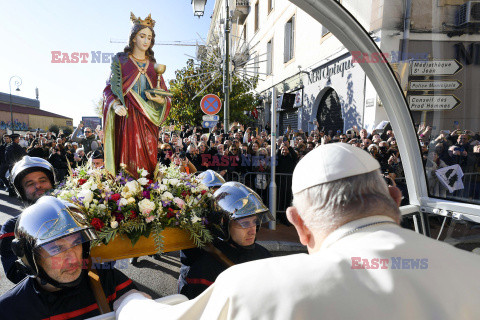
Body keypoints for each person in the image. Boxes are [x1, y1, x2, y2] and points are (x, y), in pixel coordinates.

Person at [115, 143, 480, 319]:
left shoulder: (250, 284)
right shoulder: (472, 273)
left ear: (298, 223)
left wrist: (128, 301)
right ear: (396, 197)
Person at [0, 197, 140, 319]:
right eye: (56, 248)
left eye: (76, 243)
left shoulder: (107, 279)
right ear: (31, 258)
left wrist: (135, 302)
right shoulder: (10, 311)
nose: (73, 259)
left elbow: (136, 303)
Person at [102, 12, 171, 178]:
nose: (146, 41)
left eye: (149, 37)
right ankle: (127, 189)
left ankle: (148, 187)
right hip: (127, 119)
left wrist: (160, 99)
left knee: (148, 157)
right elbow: (108, 89)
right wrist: (116, 105)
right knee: (128, 157)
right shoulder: (122, 61)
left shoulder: (154, 65)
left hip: (148, 120)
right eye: (142, 36)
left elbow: (164, 94)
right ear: (133, 38)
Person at [178, 182, 272, 299]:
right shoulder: (204, 271)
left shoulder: (265, 256)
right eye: (244, 223)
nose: (252, 231)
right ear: (223, 225)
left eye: (255, 222)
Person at [0, 156, 56, 283]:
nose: (38, 186)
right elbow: (14, 272)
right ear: (22, 191)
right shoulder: (13, 227)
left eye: (43, 180)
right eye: (30, 184)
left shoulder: (72, 211)